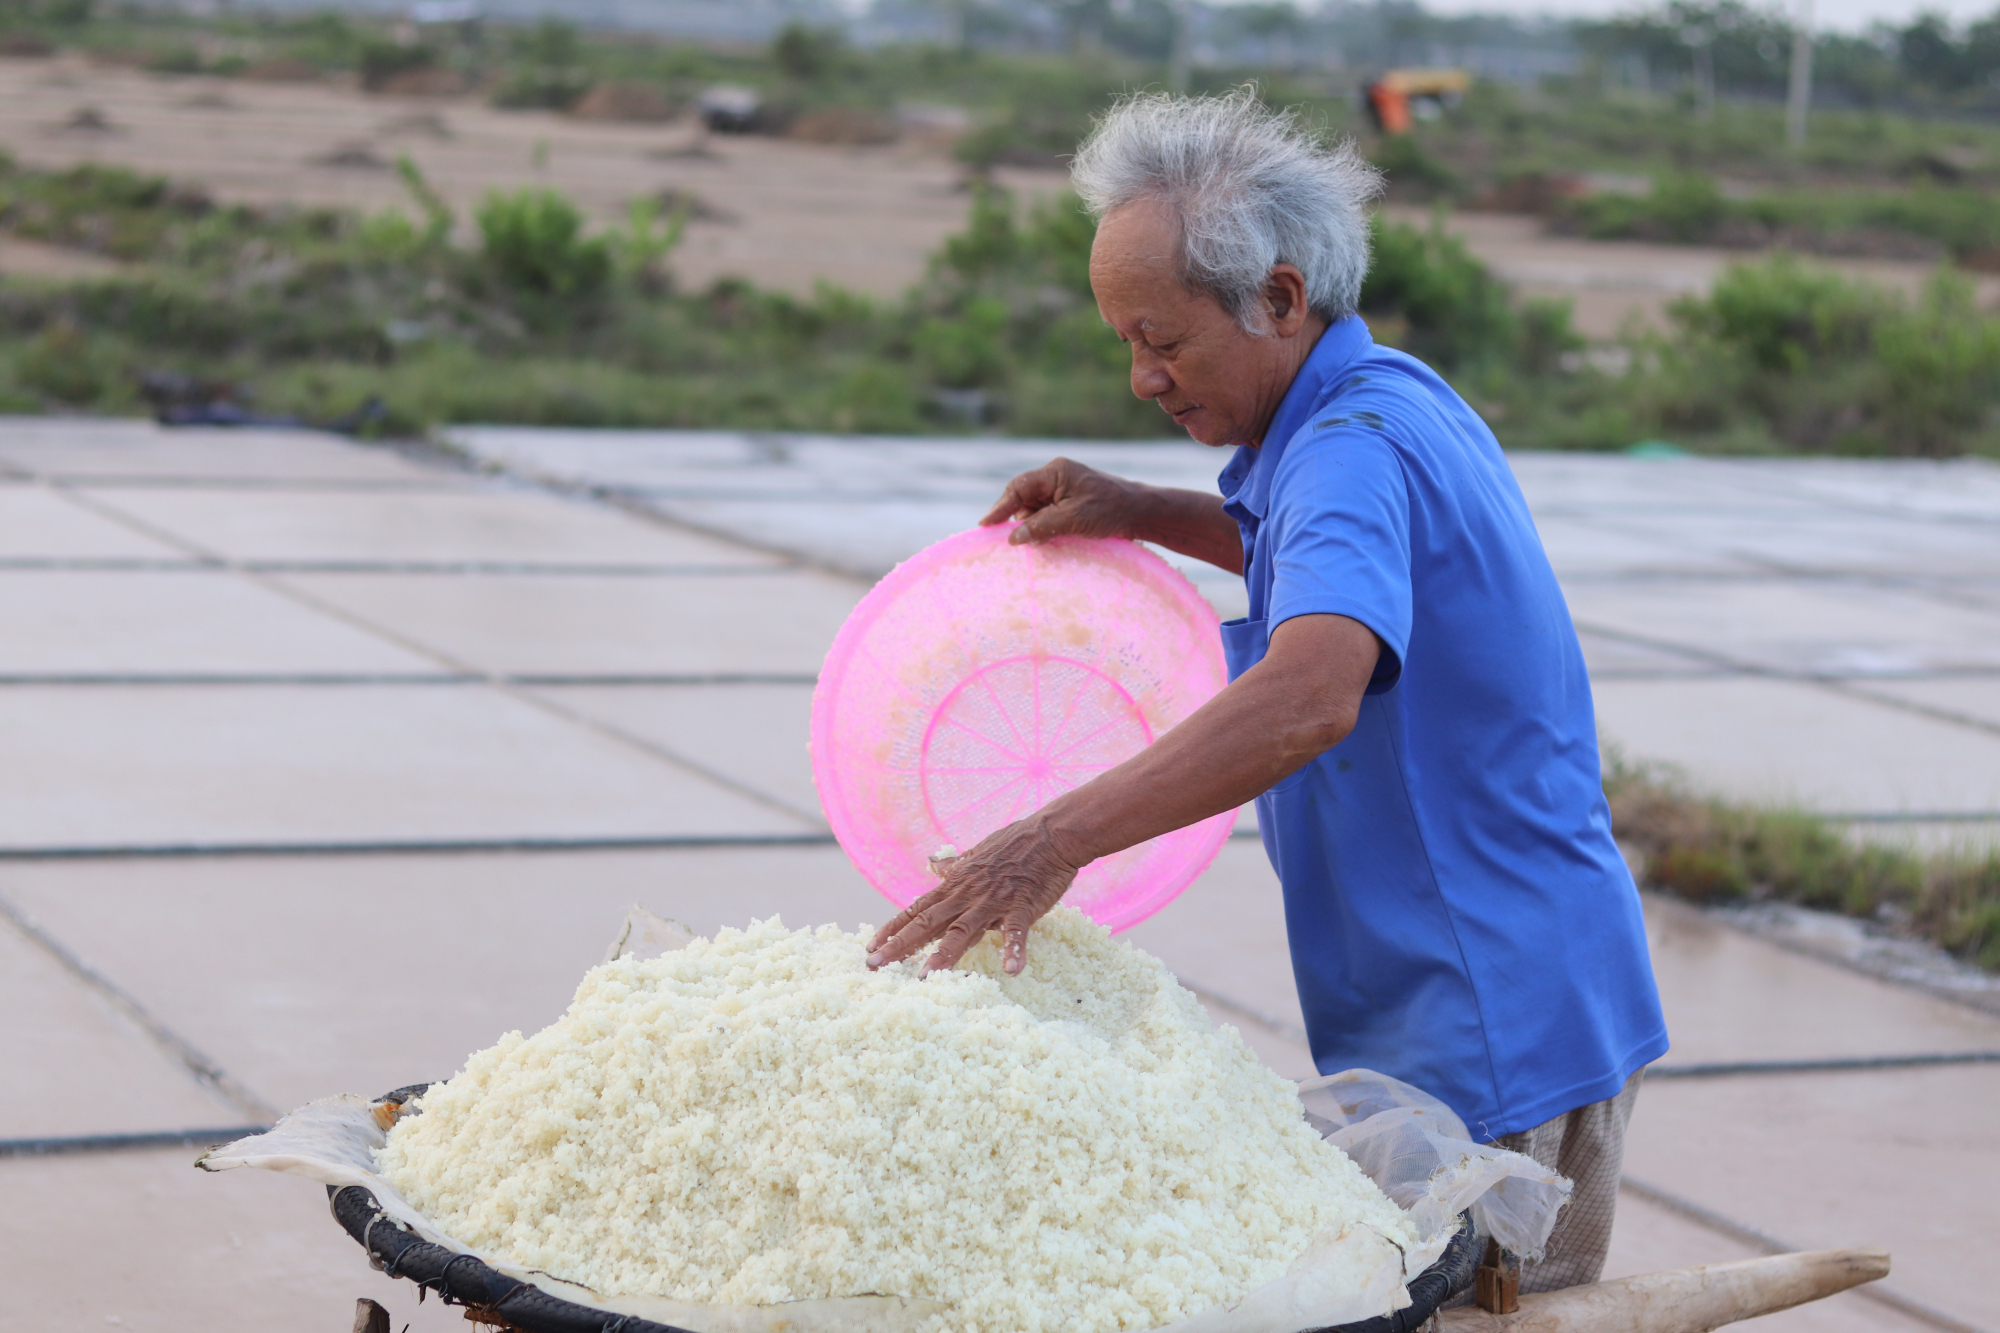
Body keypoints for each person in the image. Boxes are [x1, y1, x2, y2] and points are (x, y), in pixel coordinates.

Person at [865, 90, 1668, 1293]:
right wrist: (1143, 510)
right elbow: (1337, 565)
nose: (1141, 377)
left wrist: (1049, 838)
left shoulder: (1347, 449)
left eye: (1163, 340)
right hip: (1519, 976)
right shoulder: (1380, 399)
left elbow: (1310, 690)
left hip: (1486, 1015)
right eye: (1124, 342)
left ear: (1279, 299)